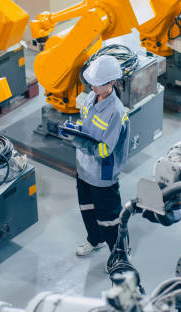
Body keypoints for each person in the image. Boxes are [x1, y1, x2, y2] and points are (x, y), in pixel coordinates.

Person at [60, 55, 130, 257]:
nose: (92, 87)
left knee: (109, 218)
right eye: (91, 83)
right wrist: (76, 129)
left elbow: (104, 151)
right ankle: (95, 239)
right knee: (87, 208)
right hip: (84, 169)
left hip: (102, 173)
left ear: (110, 83)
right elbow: (88, 126)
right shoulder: (92, 98)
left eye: (97, 84)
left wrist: (76, 139)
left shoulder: (116, 112)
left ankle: (119, 254)